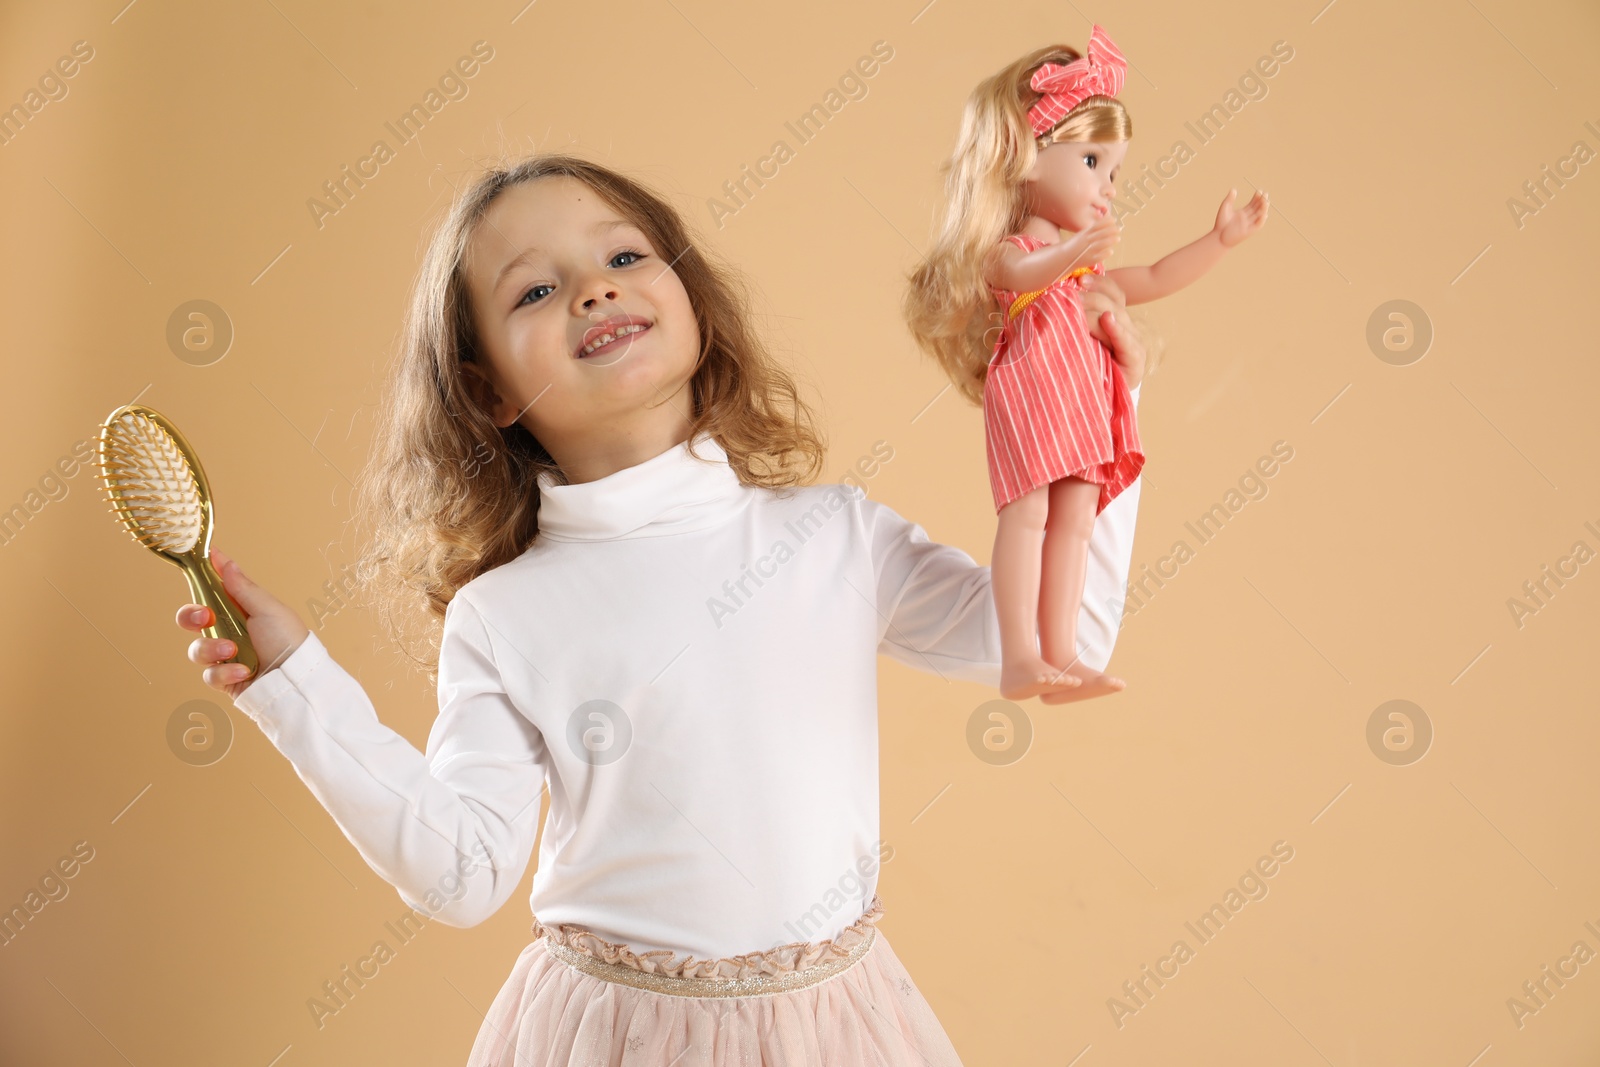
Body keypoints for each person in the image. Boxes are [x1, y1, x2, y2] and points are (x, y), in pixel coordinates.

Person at [175, 153, 1150, 1065]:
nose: (595, 288)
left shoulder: (833, 537)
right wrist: (298, 685)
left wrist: (1097, 411)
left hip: (833, 1029)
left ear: (691, 300)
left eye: (624, 255)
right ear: (488, 391)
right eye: (535, 289)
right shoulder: (506, 614)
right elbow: (459, 872)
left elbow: (1065, 640)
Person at [902, 25, 1265, 703]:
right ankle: (1022, 654)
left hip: (1077, 402)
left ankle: (1062, 657)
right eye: (1093, 162)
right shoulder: (1007, 252)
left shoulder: (1085, 271)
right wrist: (1077, 253)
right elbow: (1027, 268)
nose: (1107, 187)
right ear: (1030, 156)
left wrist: (1218, 241)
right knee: (1028, 516)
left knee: (1076, 518)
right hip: (1032, 391)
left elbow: (1154, 274)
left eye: (1115, 171)